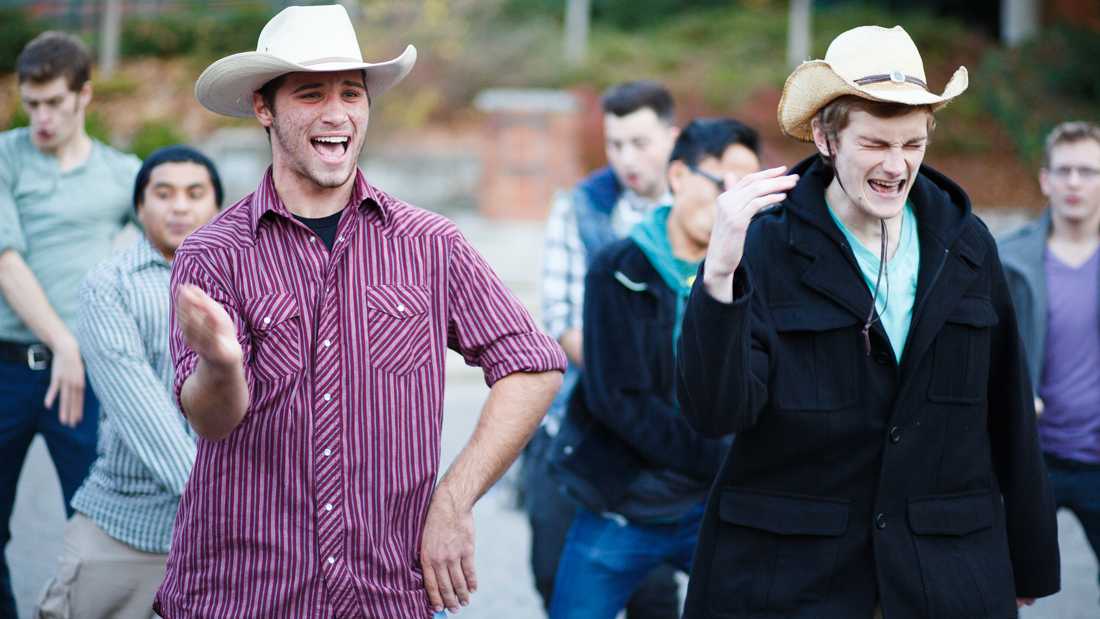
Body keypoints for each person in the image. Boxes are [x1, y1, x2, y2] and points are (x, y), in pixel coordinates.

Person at [154, 6, 565, 618]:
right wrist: (219, 362)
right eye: (311, 93)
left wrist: (453, 499)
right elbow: (211, 422)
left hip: (383, 591)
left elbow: (532, 367)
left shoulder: (430, 244)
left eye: (352, 93)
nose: (336, 113)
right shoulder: (213, 253)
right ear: (264, 108)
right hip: (244, 588)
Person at [677, 25, 1060, 618]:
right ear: (828, 138)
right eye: (876, 144)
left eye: (913, 144)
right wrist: (720, 270)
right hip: (792, 582)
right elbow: (716, 412)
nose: (897, 166)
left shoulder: (967, 244)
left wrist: (1029, 556)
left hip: (942, 577)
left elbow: (1008, 409)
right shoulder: (766, 246)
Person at [547, 118, 760, 619]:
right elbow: (616, 398)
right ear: (679, 176)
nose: (732, 200)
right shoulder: (619, 268)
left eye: (745, 186)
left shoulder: (757, 270)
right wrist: (715, 454)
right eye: (720, 181)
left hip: (715, 504)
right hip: (626, 502)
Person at [34, 146, 223, 618]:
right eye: (164, 193)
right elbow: (144, 415)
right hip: (127, 530)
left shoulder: (245, 279)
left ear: (216, 207)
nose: (179, 205)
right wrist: (232, 503)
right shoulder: (109, 285)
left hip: (226, 543)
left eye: (194, 193)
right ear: (139, 207)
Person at [528, 79, 682, 616]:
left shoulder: (697, 208)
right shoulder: (581, 206)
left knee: (654, 593)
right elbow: (563, 320)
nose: (626, 158)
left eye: (640, 143)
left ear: (672, 136)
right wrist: (631, 380)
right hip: (576, 423)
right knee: (554, 576)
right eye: (615, 144)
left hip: (664, 438)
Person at [0, 31, 140, 618]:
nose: (42, 118)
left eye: (55, 102)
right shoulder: (6, 156)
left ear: (84, 95)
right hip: (10, 367)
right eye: (32, 104)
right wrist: (64, 342)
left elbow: (169, 245)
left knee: (96, 533)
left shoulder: (123, 173)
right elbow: (5, 261)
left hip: (87, 378)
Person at [999, 120, 1100, 599]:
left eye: (1088, 171)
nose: (1075, 183)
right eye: (1064, 171)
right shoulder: (1008, 259)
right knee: (1003, 585)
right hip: (1032, 458)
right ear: (1045, 179)